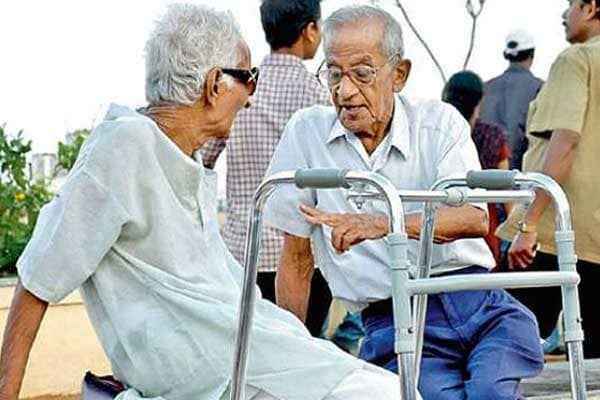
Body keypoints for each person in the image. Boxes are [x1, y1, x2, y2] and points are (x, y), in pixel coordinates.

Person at [0, 4, 407, 400]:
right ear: (215, 85)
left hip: (240, 350)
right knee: (383, 391)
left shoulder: (182, 154)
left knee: (380, 386)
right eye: (249, 79)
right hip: (208, 367)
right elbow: (39, 277)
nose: (250, 97)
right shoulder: (124, 146)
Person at [264, 5, 543, 399]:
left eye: (362, 74)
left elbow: (473, 217)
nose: (344, 92)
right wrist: (289, 359)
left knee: (490, 392)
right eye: (334, 74)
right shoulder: (307, 134)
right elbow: (295, 260)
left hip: (476, 303)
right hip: (394, 320)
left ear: (399, 74)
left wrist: (383, 222)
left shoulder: (438, 123)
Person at [200, 0, 332, 337]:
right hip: (305, 262)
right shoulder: (320, 96)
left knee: (245, 357)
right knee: (301, 353)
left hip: (242, 256)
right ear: (310, 30)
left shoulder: (238, 90)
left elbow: (201, 160)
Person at [497, 0, 600, 358]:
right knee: (593, 363)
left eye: (571, 5)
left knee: (499, 338)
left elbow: (565, 141)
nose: (564, 15)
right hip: (594, 238)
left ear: (591, 8)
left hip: (559, 232)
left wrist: (528, 224)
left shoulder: (577, 60)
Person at [442, 70, 512, 266]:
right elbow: (506, 195)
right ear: (479, 101)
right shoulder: (493, 136)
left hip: (442, 226)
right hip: (484, 228)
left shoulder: (436, 136)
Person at [479, 28, 543, 170]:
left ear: (506, 55)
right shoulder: (540, 89)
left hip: (482, 177)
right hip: (521, 176)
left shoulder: (484, 88)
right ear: (532, 55)